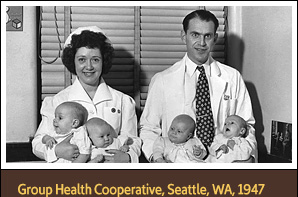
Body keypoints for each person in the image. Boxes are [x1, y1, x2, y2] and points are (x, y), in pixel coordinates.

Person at [139, 9, 257, 163]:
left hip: (224, 162)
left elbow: (247, 126)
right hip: (178, 163)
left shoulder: (232, 77)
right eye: (195, 35)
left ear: (214, 38)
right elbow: (148, 129)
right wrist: (157, 159)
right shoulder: (162, 80)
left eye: (207, 36)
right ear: (184, 36)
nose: (201, 43)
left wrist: (247, 159)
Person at [32, 26, 141, 163]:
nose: (88, 67)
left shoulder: (123, 100)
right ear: (73, 62)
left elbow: (133, 139)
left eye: (95, 60)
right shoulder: (58, 100)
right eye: (82, 60)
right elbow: (38, 142)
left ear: (104, 61)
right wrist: (56, 150)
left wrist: (127, 157)